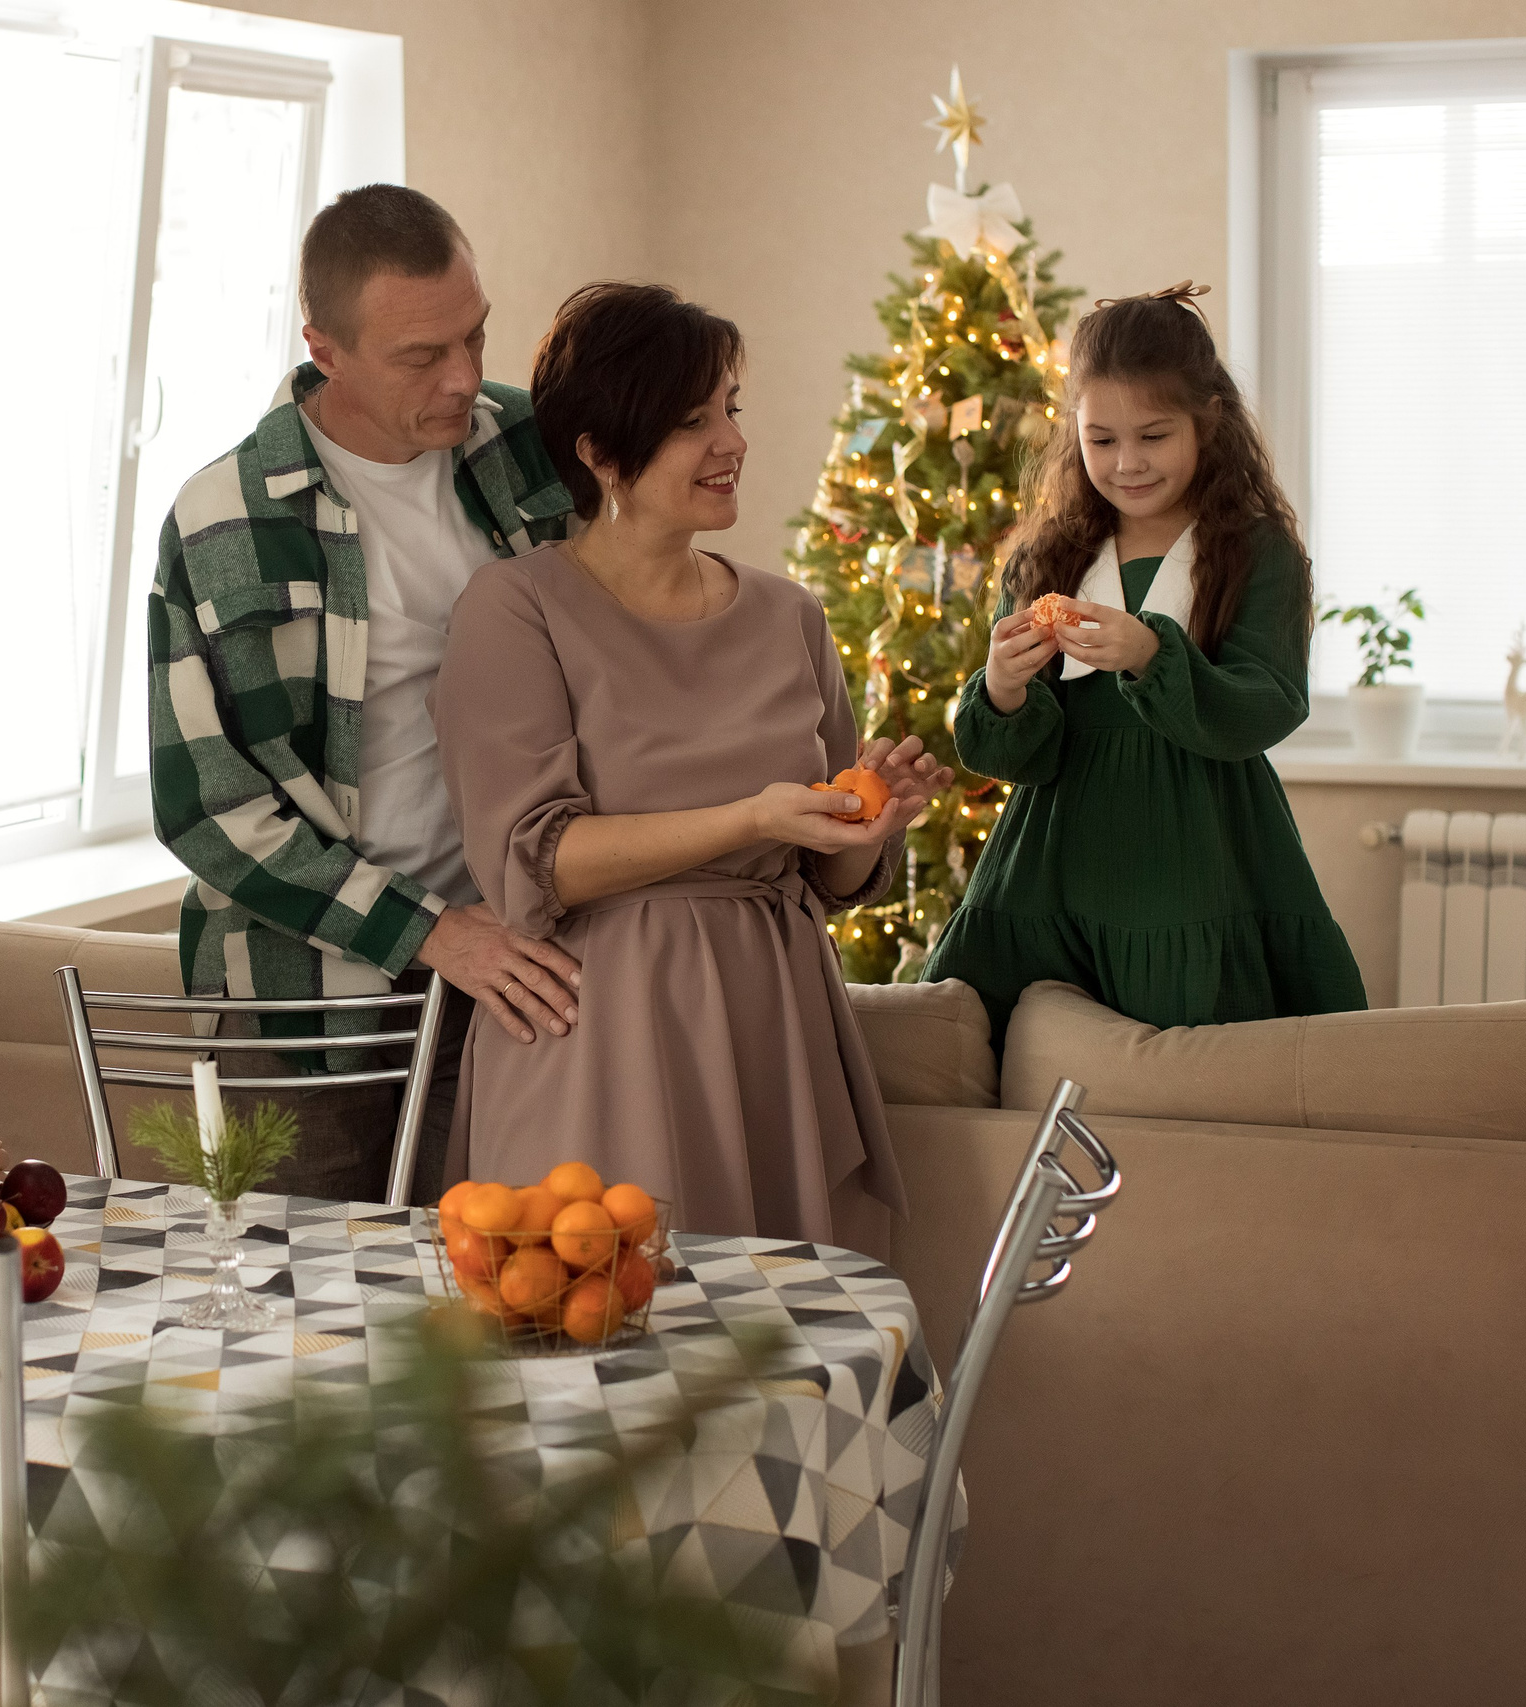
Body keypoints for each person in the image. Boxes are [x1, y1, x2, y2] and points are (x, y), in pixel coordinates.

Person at [432, 283, 948, 1253]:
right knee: (598, 1338)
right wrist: (750, 818)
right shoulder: (514, 609)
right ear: (596, 450)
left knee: (772, 1354)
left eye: (731, 409)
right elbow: (539, 862)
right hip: (603, 1030)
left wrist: (868, 824)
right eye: (689, 420)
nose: (730, 442)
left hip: (775, 1025)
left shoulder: (788, 614)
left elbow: (826, 871)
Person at [149, 184, 582, 1207]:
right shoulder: (227, 519)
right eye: (421, 356)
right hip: (301, 1009)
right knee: (301, 1330)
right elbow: (208, 808)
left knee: (504, 1315)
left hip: (515, 973)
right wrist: (429, 931)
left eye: (475, 337)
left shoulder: (529, 447)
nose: (464, 379)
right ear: (324, 349)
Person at [921, 283, 1366, 1042]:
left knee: (1194, 1054)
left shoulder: (1256, 552)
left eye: (1154, 436)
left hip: (1202, 847)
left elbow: (1270, 701)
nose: (1127, 463)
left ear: (1209, 422)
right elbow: (1015, 754)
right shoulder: (1048, 555)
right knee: (981, 1044)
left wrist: (1155, 655)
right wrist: (1001, 686)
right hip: (1054, 858)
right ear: (1075, 432)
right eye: (1101, 440)